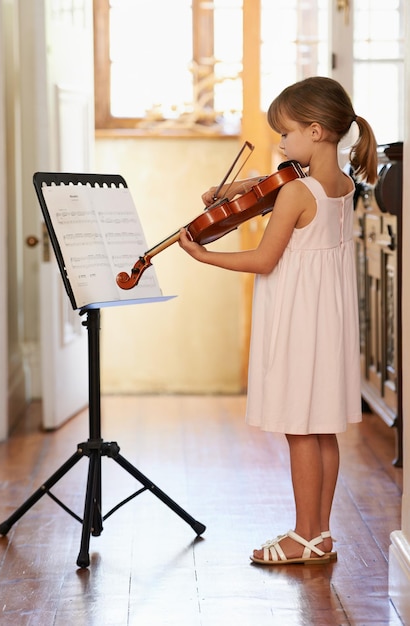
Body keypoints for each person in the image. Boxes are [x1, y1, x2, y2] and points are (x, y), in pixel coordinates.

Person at [178, 76, 378, 565]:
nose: (280, 145)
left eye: (285, 134)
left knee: (299, 429)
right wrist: (246, 188)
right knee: (321, 428)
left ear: (315, 132)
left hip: (297, 320)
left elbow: (265, 260)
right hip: (325, 320)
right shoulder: (343, 185)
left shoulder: (296, 193)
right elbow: (285, 194)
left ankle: (302, 537)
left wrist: (205, 257)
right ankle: (319, 534)